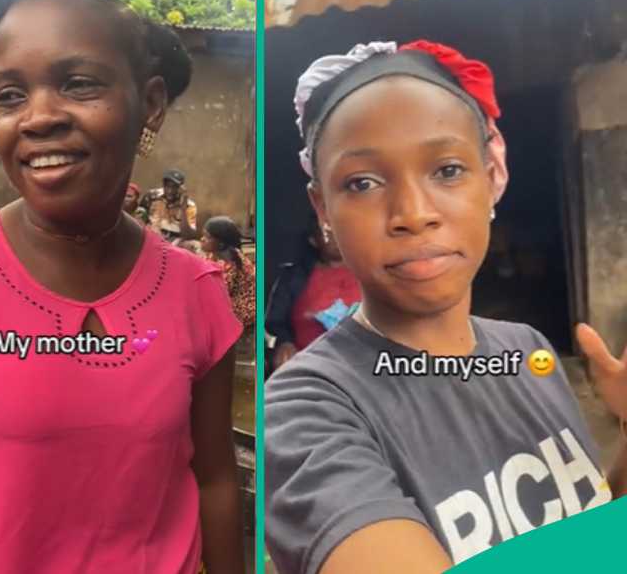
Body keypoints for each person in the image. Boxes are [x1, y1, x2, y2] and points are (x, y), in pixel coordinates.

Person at [0, 0, 244, 572]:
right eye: (9, 95)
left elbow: (214, 483)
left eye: (78, 84)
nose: (39, 117)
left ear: (149, 104)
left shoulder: (197, 294)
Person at [265, 40, 627, 574]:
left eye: (448, 170)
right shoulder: (304, 413)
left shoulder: (529, 351)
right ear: (323, 209)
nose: (413, 213)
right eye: (362, 183)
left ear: (491, 175)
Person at [265, 213, 360, 373]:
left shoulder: (372, 274)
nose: (336, 236)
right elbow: (274, 322)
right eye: (327, 232)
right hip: (308, 368)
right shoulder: (293, 277)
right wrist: (284, 343)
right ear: (313, 240)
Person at [202, 216, 254, 328]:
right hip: (228, 302)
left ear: (221, 243)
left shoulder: (231, 262)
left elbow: (216, 294)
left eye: (208, 237)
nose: (202, 239)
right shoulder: (215, 254)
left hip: (241, 311)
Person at [144, 168, 198, 241]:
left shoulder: (189, 205)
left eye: (174, 187)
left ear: (181, 188)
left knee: (193, 245)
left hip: (175, 241)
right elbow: (139, 219)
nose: (170, 191)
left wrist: (183, 209)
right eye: (167, 186)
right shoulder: (151, 195)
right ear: (163, 184)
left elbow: (188, 235)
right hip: (151, 235)